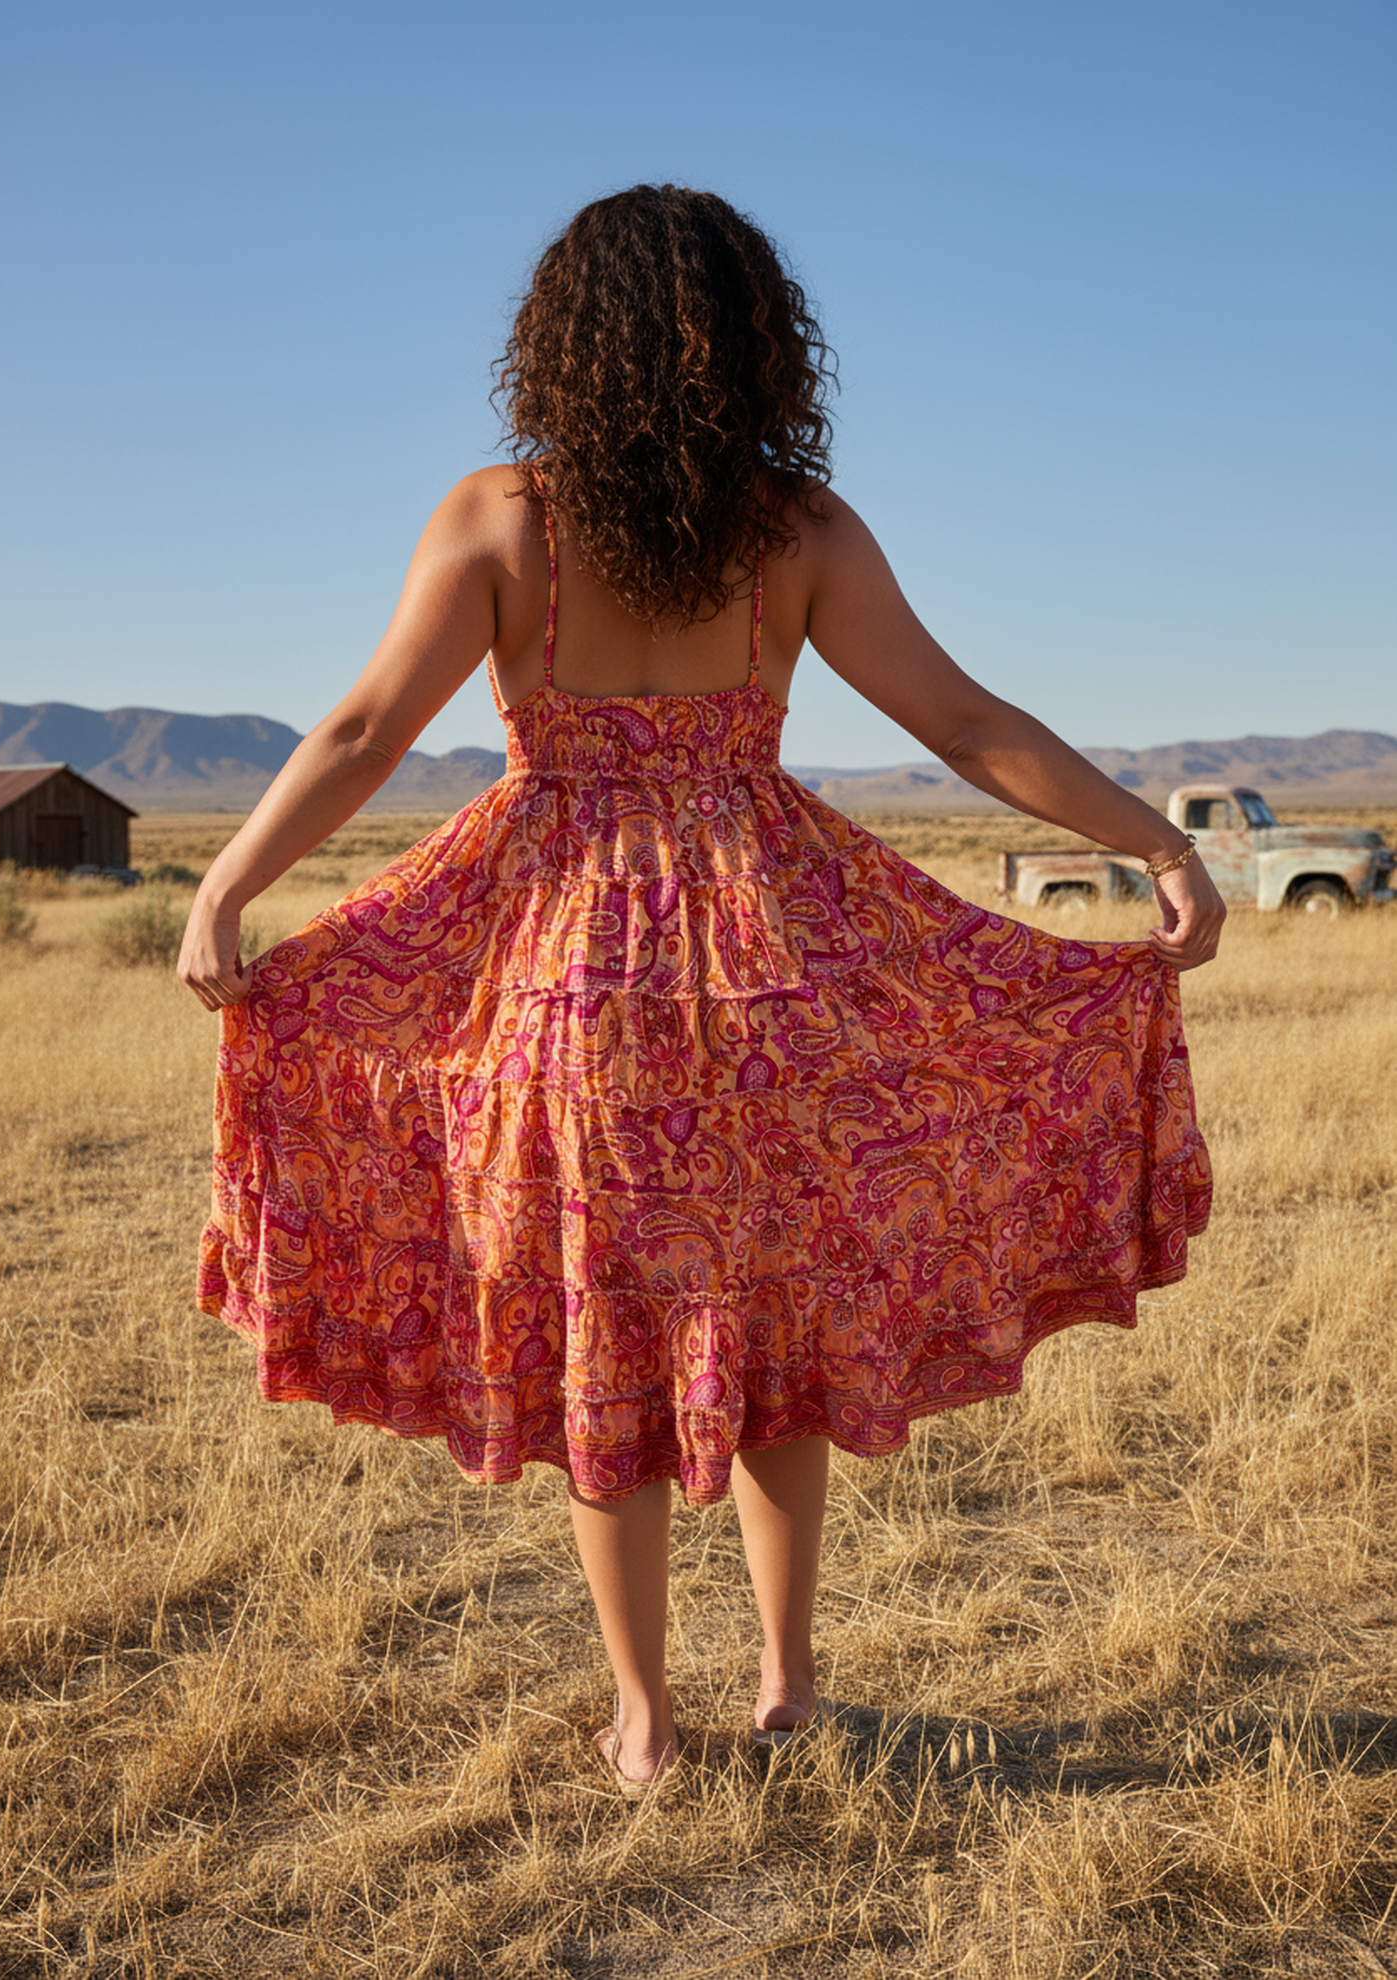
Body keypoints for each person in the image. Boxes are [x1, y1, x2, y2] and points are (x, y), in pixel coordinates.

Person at [179, 184, 1224, 1795]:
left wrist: (230, 881)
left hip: (569, 996)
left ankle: (645, 1719)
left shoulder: (499, 521)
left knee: (612, 1328)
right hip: (769, 986)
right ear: (755, 342)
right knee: (774, 1321)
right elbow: (961, 720)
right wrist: (1155, 840)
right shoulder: (795, 533)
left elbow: (360, 736)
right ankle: (792, 1685)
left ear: (558, 344)